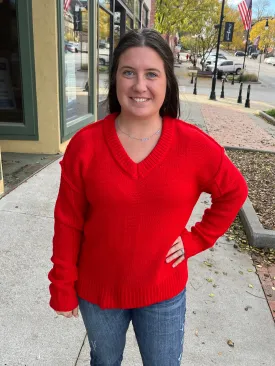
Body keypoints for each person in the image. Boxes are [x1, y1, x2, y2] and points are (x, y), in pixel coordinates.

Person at [48, 29, 248, 365]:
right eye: (128, 72)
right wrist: (62, 286)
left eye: (151, 74)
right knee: (104, 362)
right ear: (115, 80)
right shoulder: (86, 145)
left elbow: (233, 192)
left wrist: (197, 239)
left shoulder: (194, 146)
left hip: (163, 293)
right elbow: (68, 222)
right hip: (97, 293)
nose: (140, 86)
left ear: (167, 81)